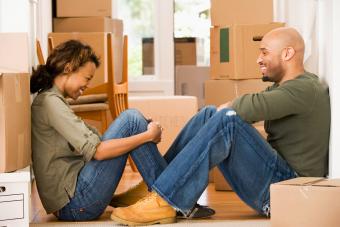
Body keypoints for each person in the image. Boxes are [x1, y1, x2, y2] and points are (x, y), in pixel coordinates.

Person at [111, 27, 331, 225]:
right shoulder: (286, 88)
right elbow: (248, 107)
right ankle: (155, 187)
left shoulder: (305, 89)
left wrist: (227, 110)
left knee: (228, 120)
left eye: (264, 52)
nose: (258, 59)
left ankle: (165, 200)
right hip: (277, 183)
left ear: (287, 54)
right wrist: (223, 112)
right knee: (209, 114)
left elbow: (249, 108)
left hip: (288, 192)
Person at [30, 39, 214, 222]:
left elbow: (97, 144)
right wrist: (146, 135)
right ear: (68, 68)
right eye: (87, 78)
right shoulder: (49, 102)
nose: (87, 85)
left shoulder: (54, 101)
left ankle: (170, 193)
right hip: (76, 204)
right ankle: (173, 198)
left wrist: (142, 133)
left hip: (78, 195)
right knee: (132, 120)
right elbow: (99, 152)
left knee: (207, 115)